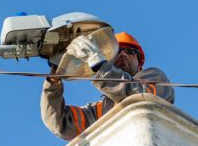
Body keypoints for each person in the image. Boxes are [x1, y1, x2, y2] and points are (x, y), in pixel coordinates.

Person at [41, 31, 175, 140]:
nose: (123, 54)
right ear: (109, 58)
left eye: (130, 51)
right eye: (118, 51)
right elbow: (60, 123)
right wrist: (53, 80)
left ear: (140, 64)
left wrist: (100, 65)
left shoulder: (155, 77)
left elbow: (141, 96)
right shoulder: (99, 111)